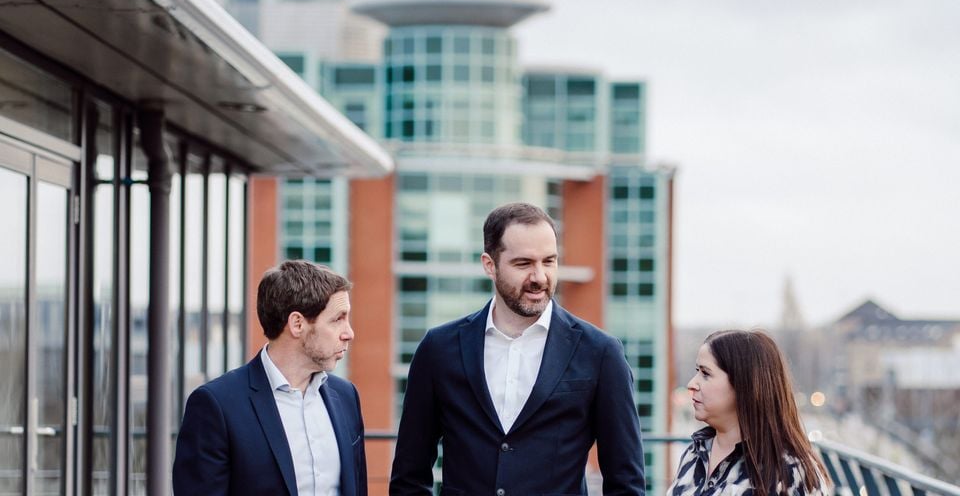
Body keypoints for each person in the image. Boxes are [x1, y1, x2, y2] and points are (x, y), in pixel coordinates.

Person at [389, 202, 645, 495]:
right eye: (524, 264)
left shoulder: (601, 353)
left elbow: (626, 482)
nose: (539, 277)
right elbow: (409, 476)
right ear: (490, 265)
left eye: (549, 261)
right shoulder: (438, 349)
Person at [173, 260, 367, 496]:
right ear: (297, 324)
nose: (349, 333)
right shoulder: (216, 406)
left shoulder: (346, 397)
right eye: (338, 319)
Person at [669, 330, 831, 496]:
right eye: (697, 371)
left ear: (744, 383)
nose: (691, 384)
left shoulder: (791, 471)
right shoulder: (695, 453)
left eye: (705, 373)